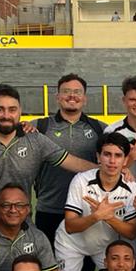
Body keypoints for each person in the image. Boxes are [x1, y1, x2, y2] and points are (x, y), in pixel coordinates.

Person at [0, 84, 94, 239]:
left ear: (20, 111)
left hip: (21, 228)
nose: (6, 115)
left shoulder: (35, 139)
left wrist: (110, 170)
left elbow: (72, 162)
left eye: (12, 110)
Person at [55, 133, 136, 271]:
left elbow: (131, 233)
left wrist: (109, 218)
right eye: (107, 154)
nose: (112, 161)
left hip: (104, 244)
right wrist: (96, 216)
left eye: (118, 156)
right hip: (71, 242)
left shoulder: (132, 189)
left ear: (126, 160)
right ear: (98, 157)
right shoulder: (81, 180)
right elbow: (70, 226)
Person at [33, 74, 108, 245]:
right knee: (48, 266)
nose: (72, 96)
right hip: (49, 209)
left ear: (85, 98)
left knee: (86, 270)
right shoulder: (39, 126)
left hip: (86, 210)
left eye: (77, 92)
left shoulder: (100, 128)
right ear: (57, 97)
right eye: (66, 91)